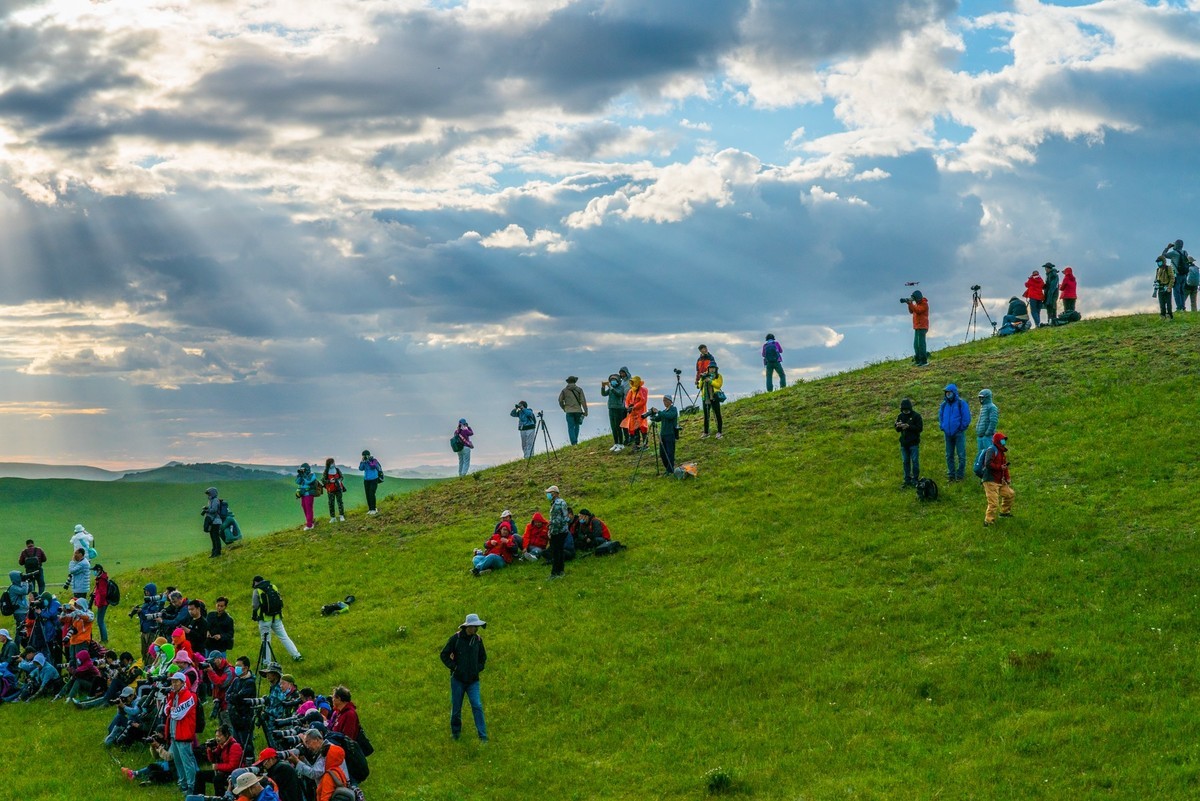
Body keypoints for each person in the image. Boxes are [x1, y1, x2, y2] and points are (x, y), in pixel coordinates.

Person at [439, 613, 488, 742]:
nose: (476, 629)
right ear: (468, 627)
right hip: (457, 680)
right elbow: (444, 654)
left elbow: (483, 658)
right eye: (474, 626)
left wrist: (477, 668)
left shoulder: (478, 640)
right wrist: (454, 667)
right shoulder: (456, 639)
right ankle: (456, 734)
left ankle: (483, 736)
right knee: (456, 709)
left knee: (477, 705)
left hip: (473, 681)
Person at [164, 670, 200, 795]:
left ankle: (192, 786)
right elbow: (166, 709)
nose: (173, 684)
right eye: (172, 681)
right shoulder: (174, 695)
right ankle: (183, 784)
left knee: (187, 763)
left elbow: (178, 714)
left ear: (182, 682)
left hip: (184, 735)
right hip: (174, 734)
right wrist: (171, 710)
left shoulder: (189, 696)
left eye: (176, 681)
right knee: (178, 762)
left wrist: (171, 711)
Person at [289, 729, 349, 801]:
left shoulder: (328, 751)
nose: (307, 747)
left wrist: (297, 762)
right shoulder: (326, 748)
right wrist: (303, 760)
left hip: (332, 789)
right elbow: (316, 768)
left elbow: (314, 773)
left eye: (308, 742)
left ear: (317, 740)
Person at [252, 576, 302, 662]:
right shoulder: (273, 586)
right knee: (284, 637)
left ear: (255, 582)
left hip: (264, 619)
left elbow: (255, 606)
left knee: (266, 641)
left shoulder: (257, 590)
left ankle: (266, 663)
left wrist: (254, 616)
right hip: (277, 617)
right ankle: (296, 655)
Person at [194, 723, 244, 796]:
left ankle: (220, 798)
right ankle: (198, 798)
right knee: (200, 774)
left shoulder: (234, 746)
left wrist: (218, 766)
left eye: (219, 736)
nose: (217, 738)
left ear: (226, 735)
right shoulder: (221, 746)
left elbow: (233, 766)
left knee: (217, 779)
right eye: (216, 736)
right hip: (223, 772)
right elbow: (212, 760)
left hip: (233, 774)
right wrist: (209, 750)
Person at [979, 431, 1015, 526]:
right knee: (993, 503)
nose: (1004, 441)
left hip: (1000, 480)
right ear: (998, 441)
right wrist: (1000, 467)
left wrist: (1007, 477)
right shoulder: (992, 450)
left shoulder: (1002, 452)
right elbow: (988, 464)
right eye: (1002, 440)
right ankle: (988, 521)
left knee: (1010, 494)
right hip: (990, 480)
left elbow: (1004, 466)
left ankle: (1004, 512)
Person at [938, 383, 972, 482]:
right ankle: (951, 475)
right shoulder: (944, 405)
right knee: (949, 455)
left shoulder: (961, 403)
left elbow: (966, 417)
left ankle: (960, 475)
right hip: (947, 433)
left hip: (958, 433)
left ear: (954, 392)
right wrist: (942, 426)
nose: (948, 394)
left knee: (961, 454)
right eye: (946, 393)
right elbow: (940, 416)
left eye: (949, 392)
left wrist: (961, 428)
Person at [227, 656, 258, 753]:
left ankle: (249, 763)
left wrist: (234, 697)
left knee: (246, 745)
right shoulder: (236, 680)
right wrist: (234, 697)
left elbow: (240, 698)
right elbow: (227, 695)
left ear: (246, 668)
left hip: (245, 718)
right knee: (237, 746)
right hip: (235, 718)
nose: (237, 668)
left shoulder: (250, 682)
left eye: (239, 666)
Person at [894, 398, 923, 488]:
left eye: (906, 409)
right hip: (904, 443)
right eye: (903, 410)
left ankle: (915, 479)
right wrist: (897, 426)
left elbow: (919, 428)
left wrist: (908, 426)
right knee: (905, 461)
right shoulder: (900, 416)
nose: (905, 411)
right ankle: (907, 479)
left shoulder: (916, 416)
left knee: (915, 461)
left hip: (914, 443)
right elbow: (897, 429)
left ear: (910, 408)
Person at [647, 395, 679, 475]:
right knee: (662, 453)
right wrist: (651, 415)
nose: (664, 402)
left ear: (670, 401)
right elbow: (658, 419)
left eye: (665, 400)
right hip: (663, 435)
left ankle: (670, 470)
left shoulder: (673, 409)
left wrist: (659, 412)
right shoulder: (664, 411)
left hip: (670, 434)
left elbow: (670, 416)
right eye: (663, 401)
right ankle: (667, 468)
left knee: (670, 453)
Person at [600, 368, 631, 451]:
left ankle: (621, 444)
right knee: (613, 427)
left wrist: (611, 387)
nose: (612, 381)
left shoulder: (620, 387)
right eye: (611, 380)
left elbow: (619, 394)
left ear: (618, 381)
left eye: (614, 380)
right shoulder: (611, 389)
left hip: (619, 409)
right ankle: (616, 443)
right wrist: (603, 387)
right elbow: (603, 394)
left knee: (618, 427)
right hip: (611, 408)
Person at [546, 485, 569, 579]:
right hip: (563, 530)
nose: (548, 494)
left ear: (554, 493)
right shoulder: (560, 502)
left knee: (556, 552)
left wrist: (551, 531)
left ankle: (555, 572)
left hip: (558, 531)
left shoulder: (558, 503)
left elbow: (558, 520)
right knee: (559, 551)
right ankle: (560, 571)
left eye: (549, 492)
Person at [558, 376, 588, 445]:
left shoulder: (564, 391)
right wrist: (586, 411)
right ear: (575, 381)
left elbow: (560, 400)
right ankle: (575, 441)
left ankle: (573, 442)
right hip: (578, 411)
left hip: (569, 411)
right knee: (577, 426)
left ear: (568, 382)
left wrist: (564, 408)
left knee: (570, 427)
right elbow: (583, 401)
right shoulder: (579, 390)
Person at [621, 376, 649, 451]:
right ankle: (637, 444)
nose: (632, 383)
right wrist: (628, 407)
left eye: (633, 382)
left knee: (643, 428)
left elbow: (643, 401)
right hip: (633, 414)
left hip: (641, 413)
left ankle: (645, 444)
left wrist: (634, 406)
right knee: (635, 429)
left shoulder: (643, 390)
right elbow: (627, 400)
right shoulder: (631, 391)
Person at [697, 363, 724, 439]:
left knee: (717, 414)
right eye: (710, 368)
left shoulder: (718, 376)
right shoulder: (705, 375)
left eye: (713, 368)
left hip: (714, 397)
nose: (712, 369)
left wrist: (710, 381)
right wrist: (702, 379)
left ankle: (719, 432)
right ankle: (706, 432)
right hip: (706, 398)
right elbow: (699, 386)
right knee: (706, 416)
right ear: (708, 369)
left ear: (716, 369)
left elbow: (718, 385)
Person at [137, 583, 163, 661]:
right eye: (145, 592)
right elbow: (142, 617)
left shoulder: (156, 604)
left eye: (147, 591)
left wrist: (142, 611)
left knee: (150, 652)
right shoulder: (146, 603)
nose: (146, 593)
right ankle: (144, 664)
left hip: (151, 630)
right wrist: (139, 612)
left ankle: (150, 666)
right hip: (144, 630)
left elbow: (149, 616)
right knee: (143, 651)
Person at [902, 290, 929, 366]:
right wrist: (909, 304)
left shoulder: (924, 304)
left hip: (922, 326)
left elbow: (918, 311)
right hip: (917, 326)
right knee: (916, 344)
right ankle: (918, 360)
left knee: (921, 344)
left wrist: (910, 303)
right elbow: (911, 311)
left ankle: (923, 361)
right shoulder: (917, 304)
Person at [1164, 239, 1190, 313]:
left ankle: (1179, 308)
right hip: (1184, 275)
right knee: (1182, 291)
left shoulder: (1174, 253)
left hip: (1177, 275)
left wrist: (1168, 247)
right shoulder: (1185, 253)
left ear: (1176, 245)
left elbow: (1163, 255)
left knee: (1176, 291)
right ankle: (1183, 307)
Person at [357, 450, 384, 515]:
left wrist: (368, 461)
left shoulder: (374, 460)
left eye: (365, 455)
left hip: (374, 479)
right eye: (363, 456)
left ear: (368, 455)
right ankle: (370, 509)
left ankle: (374, 509)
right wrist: (362, 461)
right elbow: (360, 468)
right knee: (367, 494)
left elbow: (373, 466)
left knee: (372, 493)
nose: (364, 457)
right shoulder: (364, 461)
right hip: (366, 480)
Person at [294, 464, 320, 531]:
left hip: (309, 494)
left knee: (309, 508)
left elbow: (308, 481)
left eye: (303, 469)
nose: (302, 470)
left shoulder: (312, 474)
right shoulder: (302, 475)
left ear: (307, 469)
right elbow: (297, 482)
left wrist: (304, 475)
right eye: (301, 469)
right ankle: (310, 522)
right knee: (304, 507)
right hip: (303, 494)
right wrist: (300, 475)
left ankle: (309, 525)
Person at [201, 487, 225, 558]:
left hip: (216, 522)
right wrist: (207, 508)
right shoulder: (211, 500)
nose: (208, 495)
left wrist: (206, 510)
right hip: (213, 522)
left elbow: (214, 510)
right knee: (213, 537)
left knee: (215, 537)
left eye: (209, 493)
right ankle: (214, 552)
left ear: (213, 493)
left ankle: (217, 552)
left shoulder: (215, 500)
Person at [6, 571, 29, 642]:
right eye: (20, 576)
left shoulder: (18, 586)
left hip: (23, 610)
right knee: (20, 630)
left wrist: (29, 581)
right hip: (19, 612)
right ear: (16, 578)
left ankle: (22, 644)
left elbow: (28, 590)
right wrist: (25, 582)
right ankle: (16, 646)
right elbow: (24, 591)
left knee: (24, 629)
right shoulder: (13, 588)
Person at [321, 458, 346, 523]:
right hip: (330, 490)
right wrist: (329, 481)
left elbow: (342, 477)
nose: (333, 464)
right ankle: (333, 517)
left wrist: (339, 480)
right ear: (328, 464)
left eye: (333, 462)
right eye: (331, 463)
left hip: (338, 488)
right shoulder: (326, 471)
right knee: (331, 503)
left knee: (340, 502)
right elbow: (323, 480)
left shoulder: (337, 470)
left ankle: (341, 516)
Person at [90, 562, 110, 644]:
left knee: (100, 621)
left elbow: (102, 593)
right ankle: (104, 638)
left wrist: (100, 603)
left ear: (99, 570)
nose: (94, 572)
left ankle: (104, 639)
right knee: (100, 621)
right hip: (102, 602)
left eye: (95, 570)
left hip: (102, 603)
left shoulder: (101, 580)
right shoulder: (101, 578)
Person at [975, 389, 998, 454]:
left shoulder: (992, 407)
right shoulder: (983, 407)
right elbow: (980, 419)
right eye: (980, 398)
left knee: (989, 455)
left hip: (987, 436)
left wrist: (988, 432)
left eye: (982, 398)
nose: (981, 400)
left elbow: (993, 421)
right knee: (981, 455)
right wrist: (977, 429)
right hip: (980, 435)